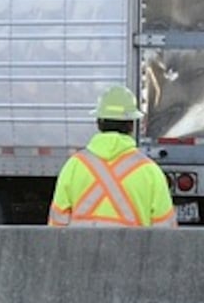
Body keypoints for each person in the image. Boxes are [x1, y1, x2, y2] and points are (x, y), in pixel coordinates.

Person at [48, 85, 177, 228]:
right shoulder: (150, 171)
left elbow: (57, 227)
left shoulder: (74, 166)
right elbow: (165, 232)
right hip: (133, 250)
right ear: (131, 125)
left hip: (82, 250)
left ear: (98, 123)